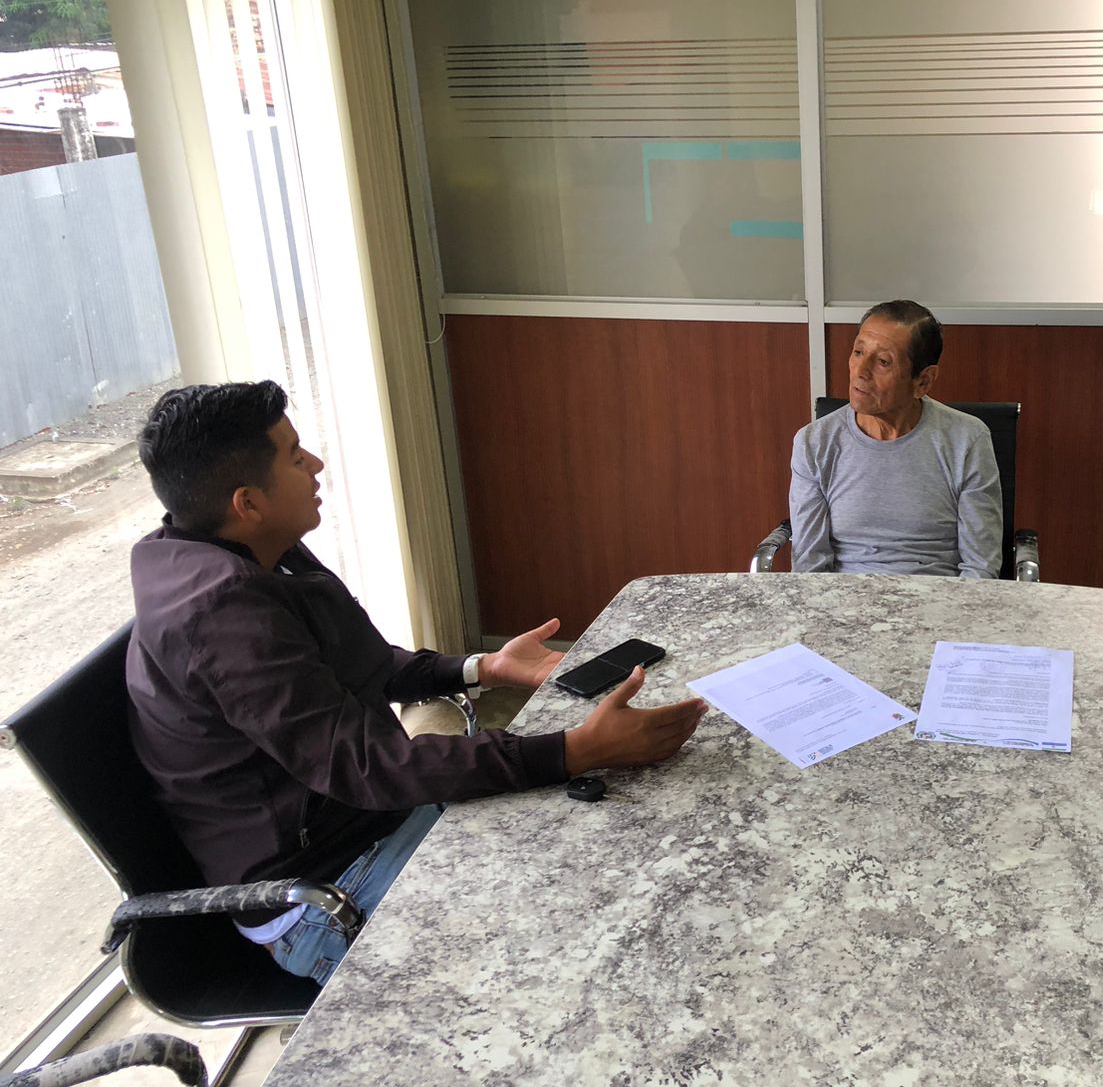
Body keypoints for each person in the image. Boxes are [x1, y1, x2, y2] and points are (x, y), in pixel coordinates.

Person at [126, 381, 707, 984]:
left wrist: (481, 667)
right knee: (583, 940)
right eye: (296, 457)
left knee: (608, 852)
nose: (317, 465)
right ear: (248, 502)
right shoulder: (223, 615)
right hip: (325, 887)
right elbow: (367, 767)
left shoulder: (256, 551)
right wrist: (575, 749)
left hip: (376, 818)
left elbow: (363, 665)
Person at [789, 300, 1002, 579]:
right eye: (858, 352)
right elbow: (809, 568)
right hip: (845, 597)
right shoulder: (814, 443)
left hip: (937, 596)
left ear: (923, 381)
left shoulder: (967, 440)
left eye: (883, 362)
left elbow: (980, 567)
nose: (861, 370)